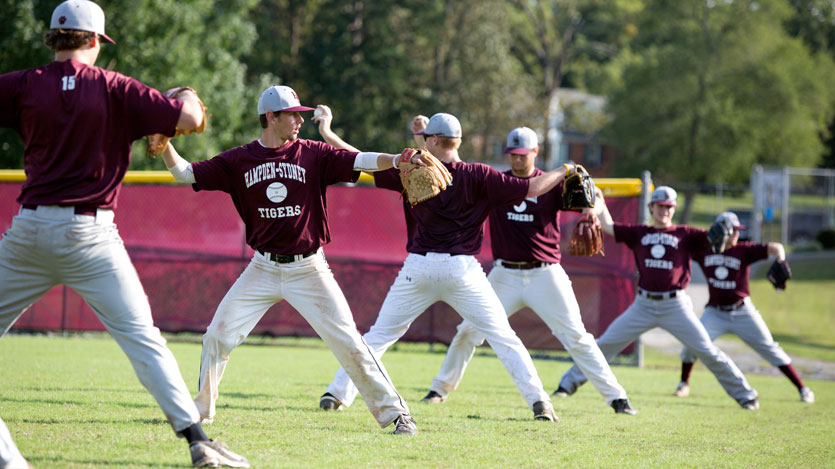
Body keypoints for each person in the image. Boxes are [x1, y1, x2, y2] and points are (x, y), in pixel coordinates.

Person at [0, 1, 248, 467]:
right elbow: (190, 119)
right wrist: (189, 95)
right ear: (95, 40)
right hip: (91, 237)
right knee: (142, 339)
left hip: (29, 232)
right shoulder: (116, 88)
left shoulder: (23, 85)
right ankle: (197, 440)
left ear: (53, 38)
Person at [159, 85, 425, 435]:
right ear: (271, 117)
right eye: (292, 114)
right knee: (217, 336)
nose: (300, 120)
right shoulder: (238, 160)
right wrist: (163, 140)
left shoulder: (314, 154)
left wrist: (396, 159)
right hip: (262, 268)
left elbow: (361, 161)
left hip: (309, 268)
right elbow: (184, 173)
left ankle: (397, 414)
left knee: (350, 343)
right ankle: (201, 410)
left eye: (300, 114)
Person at [316, 111, 583, 422]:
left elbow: (358, 159)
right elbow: (535, 188)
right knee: (503, 337)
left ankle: (336, 392)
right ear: (458, 141)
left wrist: (328, 131)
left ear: (432, 140)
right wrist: (564, 169)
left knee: (379, 336)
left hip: (419, 268)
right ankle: (540, 403)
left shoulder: (410, 169)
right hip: (463, 271)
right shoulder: (480, 175)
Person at [417, 127, 637, 415]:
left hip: (545, 274)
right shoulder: (499, 183)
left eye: (523, 154)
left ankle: (617, 398)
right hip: (504, 275)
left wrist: (591, 210)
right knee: (469, 330)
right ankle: (439, 389)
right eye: (513, 154)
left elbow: (593, 192)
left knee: (577, 336)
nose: (518, 160)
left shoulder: (551, 184)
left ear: (535, 152)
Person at [554, 186, 761, 410]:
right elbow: (607, 226)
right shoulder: (640, 233)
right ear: (651, 207)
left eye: (669, 207)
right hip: (643, 305)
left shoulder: (687, 234)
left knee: (707, 351)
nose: (664, 210)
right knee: (605, 344)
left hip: (675, 306)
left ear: (674, 209)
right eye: (660, 206)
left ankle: (746, 395)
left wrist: (728, 235)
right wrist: (600, 199)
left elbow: (720, 242)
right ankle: (567, 385)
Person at [674, 212, 814, 403]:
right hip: (715, 312)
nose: (736, 235)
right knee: (691, 345)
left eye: (737, 231)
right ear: (720, 231)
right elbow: (682, 249)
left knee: (770, 349)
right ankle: (684, 384)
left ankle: (802, 388)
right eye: (732, 231)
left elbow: (776, 247)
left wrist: (780, 260)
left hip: (743, 312)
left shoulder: (743, 250)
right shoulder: (704, 251)